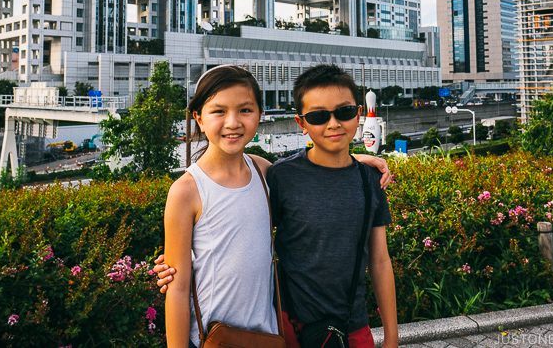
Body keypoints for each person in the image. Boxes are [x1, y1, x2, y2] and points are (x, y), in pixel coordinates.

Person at [159, 64, 396, 348]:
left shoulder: (263, 172)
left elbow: (318, 172)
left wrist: (359, 161)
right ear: (198, 117)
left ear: (259, 114)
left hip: (270, 335)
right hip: (217, 337)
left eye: (245, 110)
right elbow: (177, 287)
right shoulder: (186, 191)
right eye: (219, 111)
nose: (233, 122)